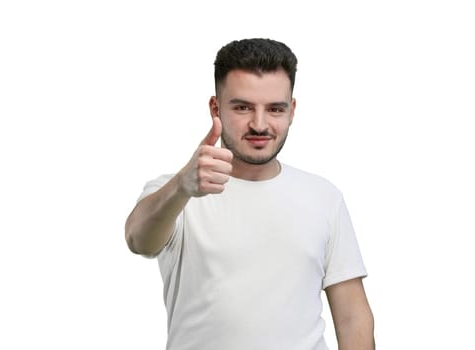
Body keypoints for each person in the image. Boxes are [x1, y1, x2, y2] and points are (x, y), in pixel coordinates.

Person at [125, 38, 374, 350]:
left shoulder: (324, 197)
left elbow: (352, 315)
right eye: (243, 107)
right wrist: (181, 187)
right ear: (216, 108)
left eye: (274, 109)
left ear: (292, 110)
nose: (259, 124)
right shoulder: (176, 193)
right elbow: (138, 240)